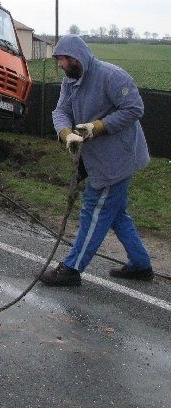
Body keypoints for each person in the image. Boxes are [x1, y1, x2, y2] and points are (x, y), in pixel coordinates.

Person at [40, 34, 153, 287]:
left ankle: (71, 268)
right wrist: (66, 133)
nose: (61, 64)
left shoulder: (111, 76)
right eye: (59, 60)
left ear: (78, 57)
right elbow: (60, 111)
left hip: (118, 158)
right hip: (96, 158)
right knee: (117, 213)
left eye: (64, 59)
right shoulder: (70, 81)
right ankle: (141, 265)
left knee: (94, 208)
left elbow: (135, 109)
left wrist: (99, 126)